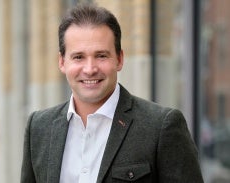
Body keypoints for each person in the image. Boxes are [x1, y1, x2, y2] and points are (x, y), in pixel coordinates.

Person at [21, 3, 203, 183]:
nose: (90, 69)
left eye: (101, 56)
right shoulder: (39, 128)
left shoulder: (161, 127)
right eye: (78, 57)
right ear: (62, 62)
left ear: (119, 59)